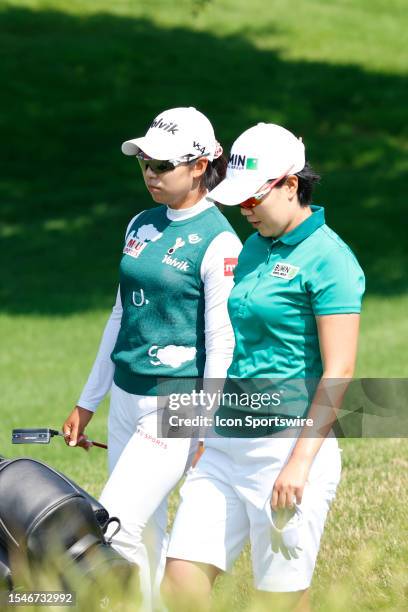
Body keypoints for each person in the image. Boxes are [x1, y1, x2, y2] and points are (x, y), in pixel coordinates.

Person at [163, 123, 365, 611]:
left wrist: (300, 463)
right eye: (240, 203)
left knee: (280, 599)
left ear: (291, 185)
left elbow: (339, 371)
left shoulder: (330, 260)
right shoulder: (254, 247)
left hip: (288, 449)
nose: (246, 211)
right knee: (180, 582)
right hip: (227, 443)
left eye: (254, 200)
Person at [62, 107, 242, 610]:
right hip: (125, 396)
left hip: (177, 403)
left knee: (113, 524)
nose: (149, 173)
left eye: (161, 165)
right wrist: (86, 401)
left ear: (200, 165)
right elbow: (120, 316)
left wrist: (208, 428)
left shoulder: (220, 240)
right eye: (144, 161)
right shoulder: (140, 222)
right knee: (144, 533)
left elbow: (222, 343)